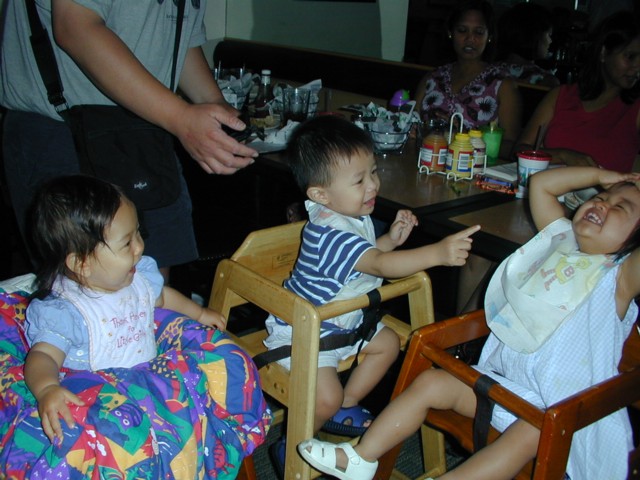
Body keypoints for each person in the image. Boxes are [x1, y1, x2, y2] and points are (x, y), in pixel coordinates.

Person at [297, 165, 640, 480]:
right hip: (506, 388)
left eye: (620, 209)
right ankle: (360, 458)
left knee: (533, 429)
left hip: (561, 416)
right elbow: (541, 183)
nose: (604, 204)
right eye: (601, 197)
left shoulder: (620, 278)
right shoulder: (559, 237)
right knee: (431, 382)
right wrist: (601, 176)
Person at [265, 115, 480, 474]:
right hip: (306, 332)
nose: (373, 186)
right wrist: (437, 254)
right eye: (360, 180)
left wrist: (392, 240)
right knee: (325, 397)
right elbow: (378, 266)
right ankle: (293, 440)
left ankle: (347, 403)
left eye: (374, 173)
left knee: (389, 344)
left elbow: (364, 259)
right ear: (320, 195)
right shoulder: (330, 231)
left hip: (345, 322)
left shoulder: (349, 213)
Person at [0, 1, 258, 279]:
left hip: (147, 127)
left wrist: (214, 107)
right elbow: (74, 26)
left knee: (150, 282)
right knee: (78, 290)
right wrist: (182, 117)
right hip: (62, 126)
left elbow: (177, 38)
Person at [23, 175, 228, 445]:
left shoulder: (138, 276)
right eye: (127, 243)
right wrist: (48, 388)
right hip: (97, 406)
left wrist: (200, 314)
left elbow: (162, 297)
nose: (140, 247)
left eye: (138, 233)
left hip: (145, 386)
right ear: (82, 264)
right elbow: (43, 356)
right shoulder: (67, 311)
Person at [516, 11, 640, 171]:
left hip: (604, 195)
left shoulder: (634, 109)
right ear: (603, 53)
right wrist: (563, 155)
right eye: (630, 57)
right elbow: (520, 150)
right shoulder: (561, 96)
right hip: (548, 191)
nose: (637, 67)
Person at [414, 0, 522, 160]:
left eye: (478, 32)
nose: (470, 39)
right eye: (462, 30)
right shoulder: (432, 79)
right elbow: (411, 122)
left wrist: (464, 138)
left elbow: (511, 148)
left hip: (471, 173)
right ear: (451, 33)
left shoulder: (502, 85)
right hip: (426, 165)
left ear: (489, 36)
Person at [496, 2, 560, 88]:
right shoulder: (547, 80)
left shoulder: (489, 70)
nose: (550, 41)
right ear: (534, 35)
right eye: (549, 35)